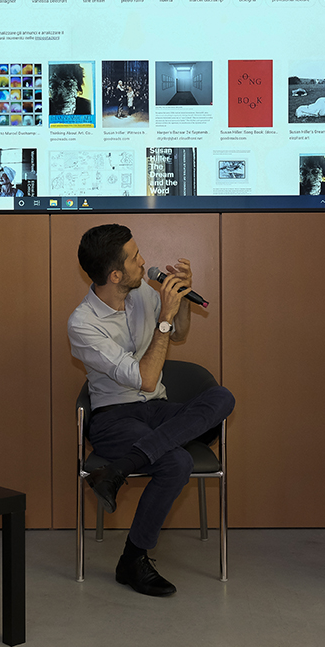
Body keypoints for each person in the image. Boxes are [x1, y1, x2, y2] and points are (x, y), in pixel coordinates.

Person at [68, 224, 235, 596]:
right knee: (177, 462)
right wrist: (164, 318)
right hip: (114, 418)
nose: (144, 262)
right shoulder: (83, 324)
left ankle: (120, 469)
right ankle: (133, 559)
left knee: (222, 398)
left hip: (155, 410)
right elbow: (143, 379)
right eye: (135, 257)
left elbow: (177, 334)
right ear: (114, 275)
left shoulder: (142, 290)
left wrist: (183, 303)